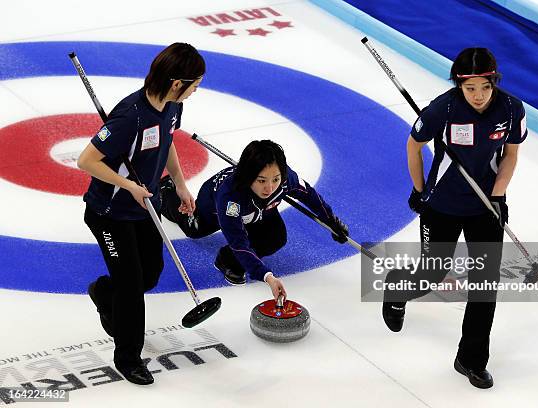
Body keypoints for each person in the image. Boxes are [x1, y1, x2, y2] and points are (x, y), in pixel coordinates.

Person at [382, 47, 527, 389]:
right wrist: (420, 190)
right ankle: (397, 287)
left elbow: (511, 155)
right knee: (431, 275)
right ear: (459, 86)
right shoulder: (442, 109)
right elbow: (413, 146)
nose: (478, 96)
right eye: (470, 88)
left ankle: (471, 359)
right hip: (442, 206)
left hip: (485, 208)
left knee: (484, 286)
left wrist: (499, 193)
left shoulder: (511, 109)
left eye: (485, 87)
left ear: (495, 82)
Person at [77, 43, 204, 385]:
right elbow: (86, 160)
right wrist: (128, 185)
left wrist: (179, 183)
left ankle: (104, 294)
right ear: (177, 82)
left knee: (149, 274)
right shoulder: (129, 116)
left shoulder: (173, 106)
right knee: (132, 285)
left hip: (143, 207)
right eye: (195, 84)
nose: (196, 91)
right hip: (109, 212)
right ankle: (128, 357)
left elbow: (168, 141)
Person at [159, 139, 349, 297]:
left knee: (276, 237)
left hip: (260, 211)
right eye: (261, 180)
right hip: (214, 209)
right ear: (249, 176)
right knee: (193, 229)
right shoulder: (230, 199)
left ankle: (227, 259)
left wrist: (331, 221)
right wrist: (266, 275)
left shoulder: (285, 179)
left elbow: (309, 195)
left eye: (275, 179)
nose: (270, 188)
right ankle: (166, 189)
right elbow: (237, 240)